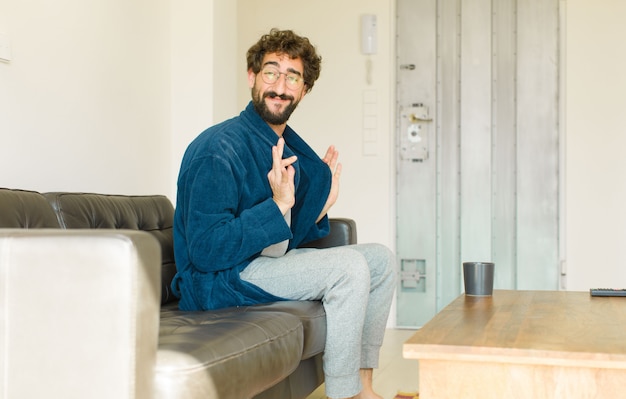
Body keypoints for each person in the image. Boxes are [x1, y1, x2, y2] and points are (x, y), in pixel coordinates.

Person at [171, 28, 396, 399]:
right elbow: (206, 251)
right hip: (221, 279)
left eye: (293, 76)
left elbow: (280, 243)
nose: (280, 85)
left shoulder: (281, 144)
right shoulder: (218, 149)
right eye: (271, 72)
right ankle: (345, 394)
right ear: (251, 77)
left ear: (304, 90)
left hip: (261, 264)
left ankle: (366, 388)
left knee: (380, 260)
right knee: (349, 269)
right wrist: (276, 205)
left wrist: (320, 205)